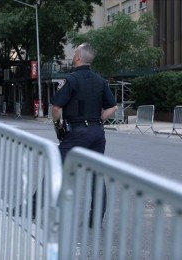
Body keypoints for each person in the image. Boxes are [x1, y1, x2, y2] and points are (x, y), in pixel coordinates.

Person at [51, 42, 118, 228]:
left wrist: (58, 127)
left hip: (76, 132)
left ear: (79, 57)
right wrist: (98, 121)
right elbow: (113, 107)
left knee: (55, 166)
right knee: (97, 175)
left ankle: (31, 209)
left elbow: (57, 107)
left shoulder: (71, 80)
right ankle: (95, 220)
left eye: (74, 53)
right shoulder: (100, 81)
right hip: (97, 133)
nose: (73, 56)